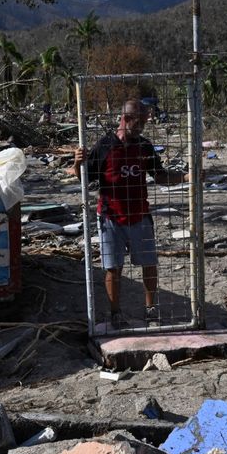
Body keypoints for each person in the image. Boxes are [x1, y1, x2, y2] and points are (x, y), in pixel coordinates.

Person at [73, 99, 191, 328]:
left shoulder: (144, 147)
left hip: (140, 216)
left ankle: (151, 309)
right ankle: (115, 313)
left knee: (149, 264)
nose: (142, 128)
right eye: (140, 123)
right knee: (113, 267)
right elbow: (85, 179)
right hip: (110, 217)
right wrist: (78, 164)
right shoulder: (105, 146)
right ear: (126, 119)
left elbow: (160, 176)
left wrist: (186, 177)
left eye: (144, 123)